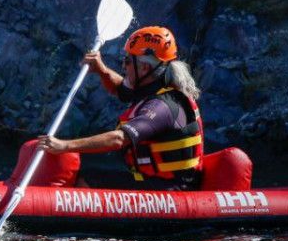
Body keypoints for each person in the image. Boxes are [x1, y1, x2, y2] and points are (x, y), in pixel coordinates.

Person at [37, 25, 204, 190]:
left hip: (172, 188)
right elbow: (121, 90)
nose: (124, 66)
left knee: (90, 178)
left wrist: (64, 146)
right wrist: (101, 70)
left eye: (128, 61)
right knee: (97, 173)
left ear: (145, 67)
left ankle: (69, 217)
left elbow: (119, 139)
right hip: (154, 179)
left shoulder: (162, 106)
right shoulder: (154, 84)